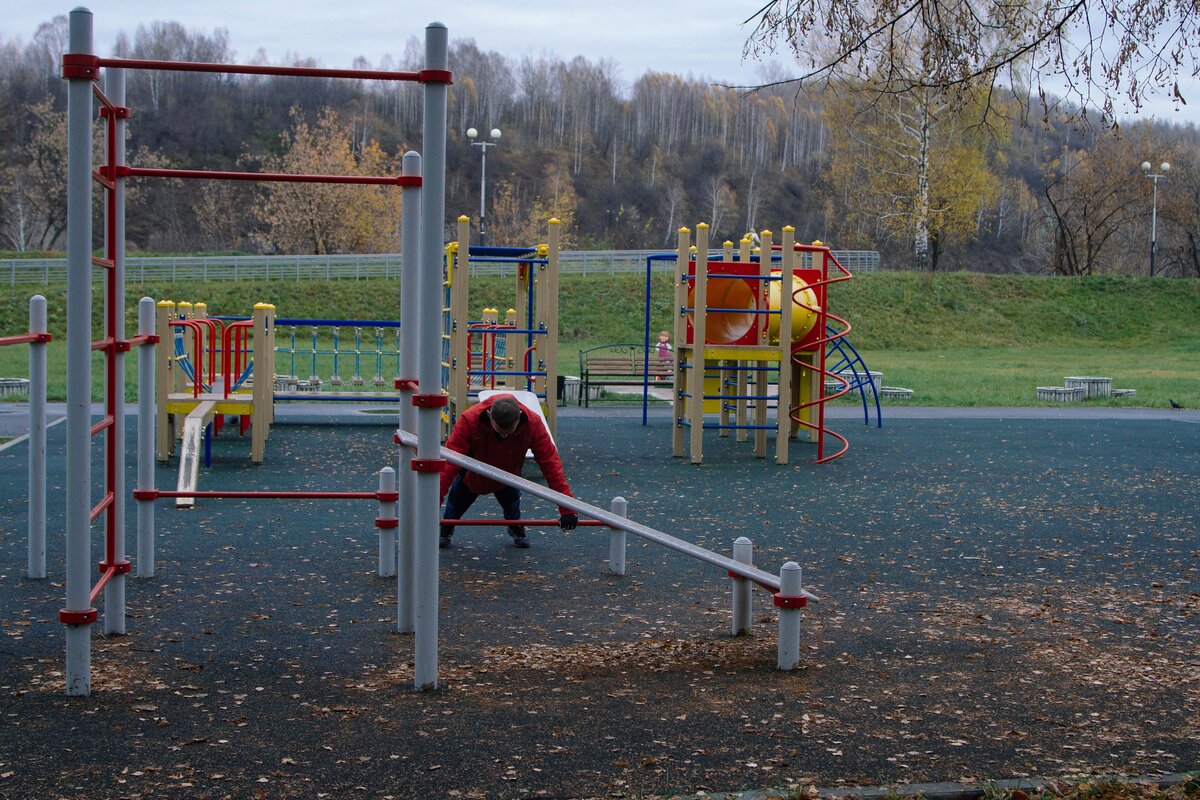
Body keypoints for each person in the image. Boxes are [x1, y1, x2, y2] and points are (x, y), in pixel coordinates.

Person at [438, 393, 577, 549]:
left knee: (512, 507)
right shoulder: (469, 420)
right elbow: (449, 464)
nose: (504, 436)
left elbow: (551, 465)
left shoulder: (533, 423)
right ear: (489, 415)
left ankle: (515, 527)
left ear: (519, 417)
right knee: (456, 504)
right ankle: (446, 528)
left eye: (509, 432)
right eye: (499, 431)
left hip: (508, 475)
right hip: (473, 475)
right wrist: (433, 501)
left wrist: (567, 509)